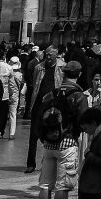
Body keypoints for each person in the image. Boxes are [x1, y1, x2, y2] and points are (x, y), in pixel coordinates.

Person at [37, 57, 88, 199]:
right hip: (67, 143)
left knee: (45, 185)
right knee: (63, 186)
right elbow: (84, 121)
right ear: (79, 74)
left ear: (64, 73)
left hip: (49, 142)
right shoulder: (79, 96)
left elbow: (41, 115)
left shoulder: (52, 93)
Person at [26, 46, 62, 174]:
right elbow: (35, 85)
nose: (48, 57)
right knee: (33, 135)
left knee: (53, 133)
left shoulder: (61, 67)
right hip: (39, 105)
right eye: (46, 54)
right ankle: (30, 164)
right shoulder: (39, 67)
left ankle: (52, 162)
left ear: (56, 55)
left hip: (54, 106)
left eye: (50, 55)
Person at [77, 106, 101, 199]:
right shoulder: (96, 136)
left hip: (94, 185)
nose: (86, 132)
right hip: (90, 184)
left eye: (86, 128)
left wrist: (89, 155)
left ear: (93, 123)